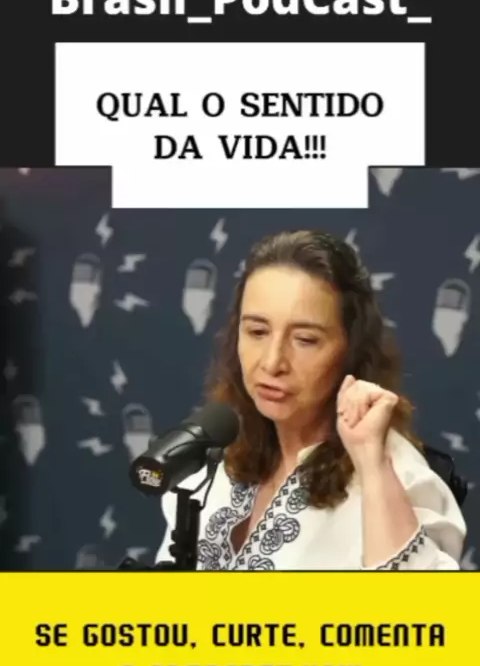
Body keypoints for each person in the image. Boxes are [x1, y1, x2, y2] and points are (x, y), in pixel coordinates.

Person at [155, 230, 467, 571]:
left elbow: (421, 604)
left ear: (351, 351)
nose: (272, 362)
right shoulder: (214, 462)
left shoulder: (397, 474)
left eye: (305, 339)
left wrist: (372, 464)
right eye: (257, 332)